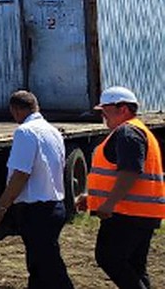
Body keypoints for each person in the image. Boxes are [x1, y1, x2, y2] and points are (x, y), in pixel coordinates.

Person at [0, 90, 73, 288]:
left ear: (15, 110)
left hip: (37, 211)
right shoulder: (53, 131)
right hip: (55, 206)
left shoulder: (25, 132)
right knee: (40, 267)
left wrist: (0, 208)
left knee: (49, 268)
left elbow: (21, 175)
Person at [80, 86, 165, 288]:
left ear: (123, 109)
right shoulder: (136, 131)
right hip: (141, 213)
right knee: (134, 266)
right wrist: (91, 198)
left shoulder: (128, 133)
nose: (103, 115)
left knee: (110, 258)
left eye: (105, 110)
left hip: (127, 214)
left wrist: (108, 204)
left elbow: (130, 172)